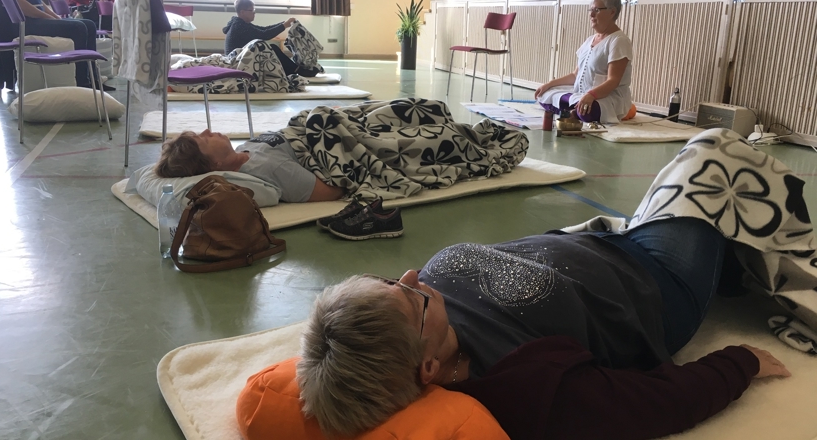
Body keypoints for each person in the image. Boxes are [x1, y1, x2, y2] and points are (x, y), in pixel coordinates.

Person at [294, 131, 805, 438]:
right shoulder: (525, 389)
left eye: (388, 281)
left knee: (697, 198)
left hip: (597, 238)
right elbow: (653, 404)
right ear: (428, 366)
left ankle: (728, 261)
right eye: (410, 299)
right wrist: (740, 363)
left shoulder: (420, 321)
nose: (410, 277)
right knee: (716, 151)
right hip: (654, 279)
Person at [155, 130, 344, 203]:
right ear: (214, 164)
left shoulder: (243, 149)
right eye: (205, 140)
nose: (208, 131)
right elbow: (330, 193)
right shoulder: (270, 168)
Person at [534, 0, 632, 124]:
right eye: (590, 10)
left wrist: (591, 95)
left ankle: (574, 111)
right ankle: (574, 110)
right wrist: (549, 84)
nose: (591, 14)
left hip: (607, 98)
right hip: (581, 95)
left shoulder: (619, 40)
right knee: (545, 94)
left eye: (596, 10)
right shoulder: (589, 40)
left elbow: (613, 81)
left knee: (587, 111)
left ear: (612, 12)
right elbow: (575, 75)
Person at [0, 0, 114, 91]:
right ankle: (82, 82)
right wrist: (49, 17)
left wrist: (55, 17)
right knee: (79, 28)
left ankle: (94, 80)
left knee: (90, 25)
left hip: (37, 19)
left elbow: (39, 3)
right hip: (27, 22)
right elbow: (22, 6)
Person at [222, 0, 318, 77]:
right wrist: (284, 25)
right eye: (251, 10)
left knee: (271, 48)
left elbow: (263, 29)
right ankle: (298, 71)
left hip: (239, 58)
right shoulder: (240, 26)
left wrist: (284, 24)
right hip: (236, 63)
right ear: (242, 12)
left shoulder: (240, 23)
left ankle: (293, 71)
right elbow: (265, 34)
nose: (254, 13)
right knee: (272, 49)